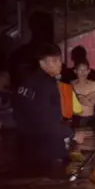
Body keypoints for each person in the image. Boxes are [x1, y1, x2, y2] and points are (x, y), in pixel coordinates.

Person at [14, 43, 73, 175]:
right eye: (54, 61)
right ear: (42, 62)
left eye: (59, 60)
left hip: (26, 148)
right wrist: (71, 134)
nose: (59, 64)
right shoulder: (47, 84)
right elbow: (48, 122)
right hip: (46, 150)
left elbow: (17, 114)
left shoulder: (25, 82)